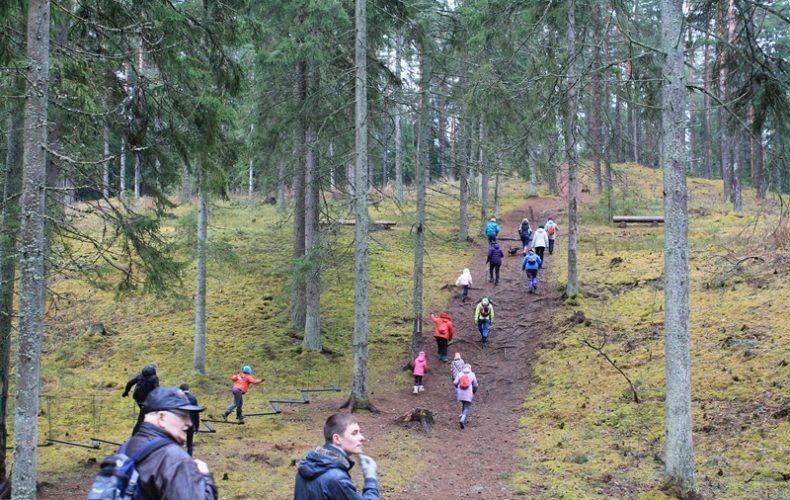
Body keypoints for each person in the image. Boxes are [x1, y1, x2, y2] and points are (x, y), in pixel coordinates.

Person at [124, 386, 217, 499]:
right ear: (162, 417)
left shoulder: (127, 447)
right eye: (183, 416)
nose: (189, 423)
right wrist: (206, 478)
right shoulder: (175, 459)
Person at [294, 413, 380, 499]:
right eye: (354, 433)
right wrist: (370, 477)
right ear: (337, 439)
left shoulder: (308, 465)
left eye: (360, 432)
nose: (362, 438)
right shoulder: (337, 478)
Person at [122, 363, 160, 435]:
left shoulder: (140, 375)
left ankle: (144, 433)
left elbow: (130, 383)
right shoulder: (154, 378)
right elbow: (157, 390)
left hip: (137, 398)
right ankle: (134, 436)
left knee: (146, 416)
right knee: (142, 419)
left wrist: (126, 392)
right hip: (146, 401)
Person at [453, 363, 479, 429]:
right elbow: (475, 385)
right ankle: (463, 419)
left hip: (460, 393)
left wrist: (458, 387)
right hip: (468, 393)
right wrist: (474, 391)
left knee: (464, 405)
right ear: (470, 368)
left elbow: (455, 382)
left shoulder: (460, 374)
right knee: (467, 407)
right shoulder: (472, 374)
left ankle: (464, 419)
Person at [179, 383, 200, 456]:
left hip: (180, 423)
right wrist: (197, 426)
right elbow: (196, 413)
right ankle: (189, 458)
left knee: (178, 442)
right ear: (188, 389)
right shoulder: (193, 398)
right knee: (189, 443)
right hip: (191, 422)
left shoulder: (178, 398)